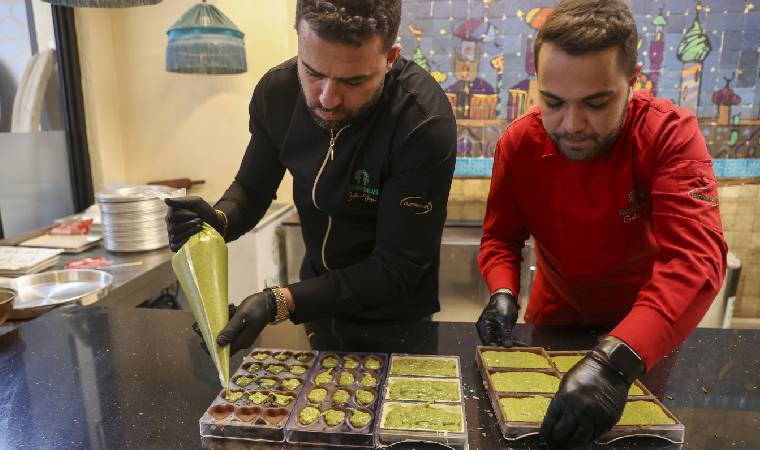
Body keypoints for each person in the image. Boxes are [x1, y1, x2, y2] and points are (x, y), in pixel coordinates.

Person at [475, 0, 727, 446]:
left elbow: (695, 261)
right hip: (554, 324)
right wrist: (502, 291)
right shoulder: (519, 143)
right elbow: (500, 237)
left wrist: (616, 361)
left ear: (632, 80)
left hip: (645, 333)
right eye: (553, 102)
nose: (572, 124)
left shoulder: (669, 135)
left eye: (596, 103)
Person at [165, 0, 456, 354]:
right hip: (318, 297)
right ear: (300, 42)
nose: (328, 99)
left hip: (396, 313)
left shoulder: (422, 122)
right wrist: (218, 221)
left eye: (353, 80)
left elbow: (395, 269)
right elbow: (252, 189)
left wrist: (279, 302)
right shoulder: (277, 92)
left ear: (390, 58)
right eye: (313, 72)